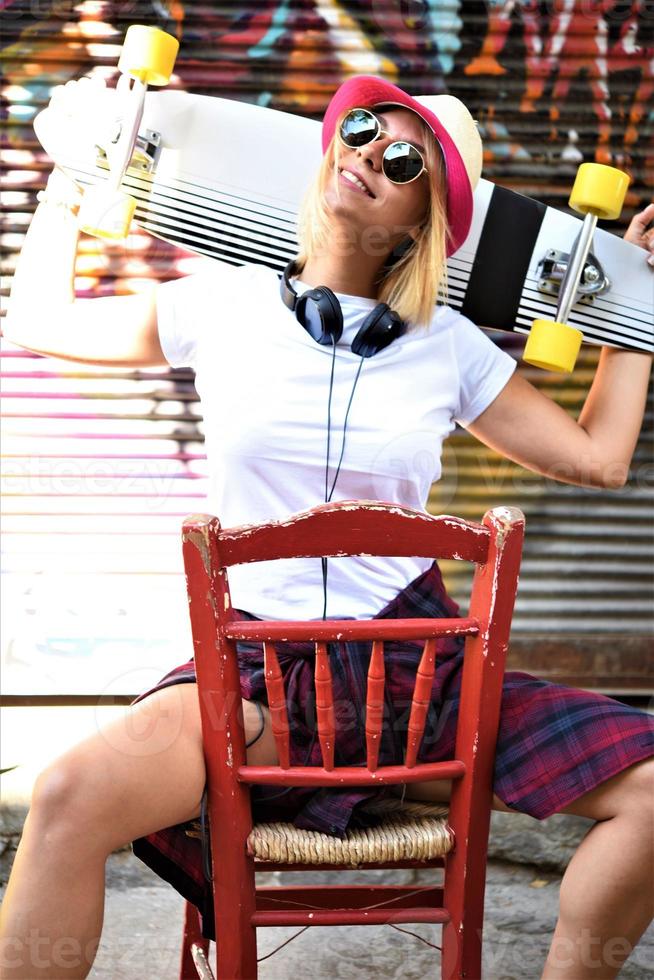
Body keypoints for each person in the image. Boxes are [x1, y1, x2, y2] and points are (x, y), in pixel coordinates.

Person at [0, 73, 653, 980]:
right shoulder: (218, 304)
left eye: (399, 158)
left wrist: (635, 314)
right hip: (256, 684)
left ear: (428, 217)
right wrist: (77, 166)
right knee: (67, 793)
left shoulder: (449, 347)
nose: (364, 156)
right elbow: (37, 319)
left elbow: (600, 458)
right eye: (356, 130)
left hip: (422, 683)